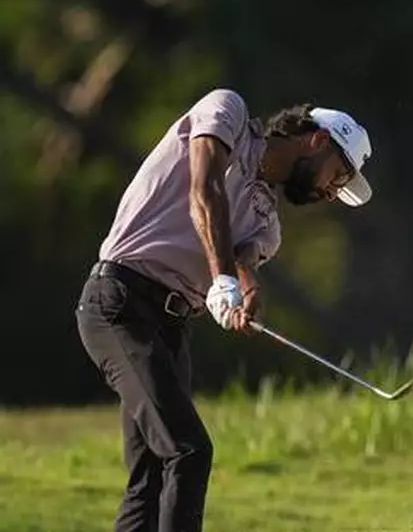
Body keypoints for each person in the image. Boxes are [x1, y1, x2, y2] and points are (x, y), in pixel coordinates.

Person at [74, 88, 374, 532]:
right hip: (120, 303)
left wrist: (247, 291)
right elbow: (205, 188)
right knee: (189, 450)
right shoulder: (227, 112)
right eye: (339, 175)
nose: (334, 192)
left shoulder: (267, 224)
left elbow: (242, 257)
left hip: (170, 326)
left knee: (152, 476)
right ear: (318, 140)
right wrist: (223, 281)